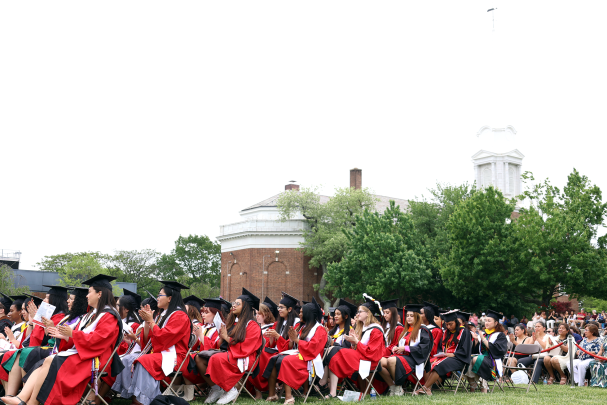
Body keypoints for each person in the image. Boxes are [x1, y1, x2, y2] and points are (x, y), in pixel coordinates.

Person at [1, 274, 122, 405]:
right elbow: (79, 339)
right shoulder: (93, 315)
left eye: (89, 292)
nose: (87, 296)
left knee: (50, 360)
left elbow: (98, 340)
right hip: (83, 354)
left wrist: (72, 334)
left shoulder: (109, 316)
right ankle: (23, 398)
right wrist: (65, 336)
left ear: (99, 294)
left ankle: (30, 402)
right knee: (45, 362)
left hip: (94, 359)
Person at [113, 281, 191, 405]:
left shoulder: (180, 316)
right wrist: (147, 321)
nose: (157, 298)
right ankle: (132, 393)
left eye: (160, 295)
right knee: (128, 359)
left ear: (170, 298)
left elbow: (164, 338)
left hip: (176, 356)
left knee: (144, 361)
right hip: (161, 353)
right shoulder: (163, 315)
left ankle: (142, 399)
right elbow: (148, 340)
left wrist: (151, 322)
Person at [202, 288, 262, 404]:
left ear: (245, 307)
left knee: (215, 358)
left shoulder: (253, 325)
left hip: (245, 357)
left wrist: (226, 338)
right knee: (200, 358)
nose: (233, 305)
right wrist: (222, 337)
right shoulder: (235, 323)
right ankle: (217, 389)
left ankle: (230, 389)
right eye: (234, 303)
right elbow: (224, 345)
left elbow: (246, 347)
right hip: (233, 354)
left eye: (237, 304)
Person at [265, 298, 327, 404]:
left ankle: (289, 398)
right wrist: (290, 340)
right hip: (297, 354)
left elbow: (313, 348)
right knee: (274, 359)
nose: (300, 314)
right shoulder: (299, 326)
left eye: (302, 312)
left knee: (286, 361)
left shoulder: (319, 329)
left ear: (309, 314)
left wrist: (296, 340)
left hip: (310, 359)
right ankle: (272, 395)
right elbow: (288, 345)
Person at [324, 294, 385, 399]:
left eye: (360, 311)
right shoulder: (363, 327)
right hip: (360, 357)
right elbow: (358, 348)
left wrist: (356, 341)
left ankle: (324, 383)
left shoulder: (376, 330)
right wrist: (352, 342)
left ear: (368, 313)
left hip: (369, 361)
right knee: (332, 351)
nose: (358, 314)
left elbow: (372, 353)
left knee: (335, 350)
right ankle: (331, 390)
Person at [377, 304, 432, 396]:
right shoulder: (406, 330)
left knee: (390, 360)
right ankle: (393, 386)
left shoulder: (423, 330)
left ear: (417, 317)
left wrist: (406, 348)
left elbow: (424, 348)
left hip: (415, 358)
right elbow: (401, 344)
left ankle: (399, 387)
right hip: (402, 356)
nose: (409, 318)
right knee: (379, 361)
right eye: (407, 316)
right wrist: (396, 347)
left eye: (411, 316)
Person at [416, 310, 472, 396]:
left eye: (451, 324)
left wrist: (454, 354)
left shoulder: (464, 332)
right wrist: (442, 354)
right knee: (428, 363)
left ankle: (424, 388)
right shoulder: (446, 332)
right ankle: (428, 389)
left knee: (439, 365)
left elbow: (466, 349)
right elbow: (440, 347)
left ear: (456, 322)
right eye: (447, 324)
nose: (448, 326)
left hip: (459, 359)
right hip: (445, 357)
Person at [180, 297, 226, 401]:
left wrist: (200, 334)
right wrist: (194, 336)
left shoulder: (220, 328)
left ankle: (212, 387)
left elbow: (215, 348)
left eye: (206, 312)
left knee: (189, 359)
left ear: (215, 314)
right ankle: (190, 394)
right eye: (203, 312)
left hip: (212, 358)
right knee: (184, 357)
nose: (203, 315)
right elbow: (195, 346)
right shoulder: (205, 327)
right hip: (199, 355)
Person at [465, 310, 508, 393]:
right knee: (468, 358)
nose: (486, 323)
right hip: (482, 356)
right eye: (485, 321)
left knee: (476, 359)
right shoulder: (484, 333)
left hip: (493, 359)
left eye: (489, 321)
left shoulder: (500, 335)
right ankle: (472, 385)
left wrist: (483, 338)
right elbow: (477, 350)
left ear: (496, 323)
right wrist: (476, 340)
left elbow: (498, 350)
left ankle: (483, 386)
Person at [318, 299, 356, 389]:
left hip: (343, 359)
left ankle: (322, 382)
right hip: (328, 357)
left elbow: (344, 349)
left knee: (329, 352)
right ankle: (319, 381)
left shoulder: (349, 331)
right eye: (335, 314)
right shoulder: (333, 331)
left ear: (346, 316)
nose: (335, 316)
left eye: (338, 314)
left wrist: (331, 342)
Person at [248, 296, 278, 399]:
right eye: (256, 314)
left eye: (259, 314)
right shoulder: (256, 326)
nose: (257, 316)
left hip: (270, 353)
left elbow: (272, 345)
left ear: (267, 314)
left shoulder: (274, 326)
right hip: (259, 351)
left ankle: (259, 391)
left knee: (257, 358)